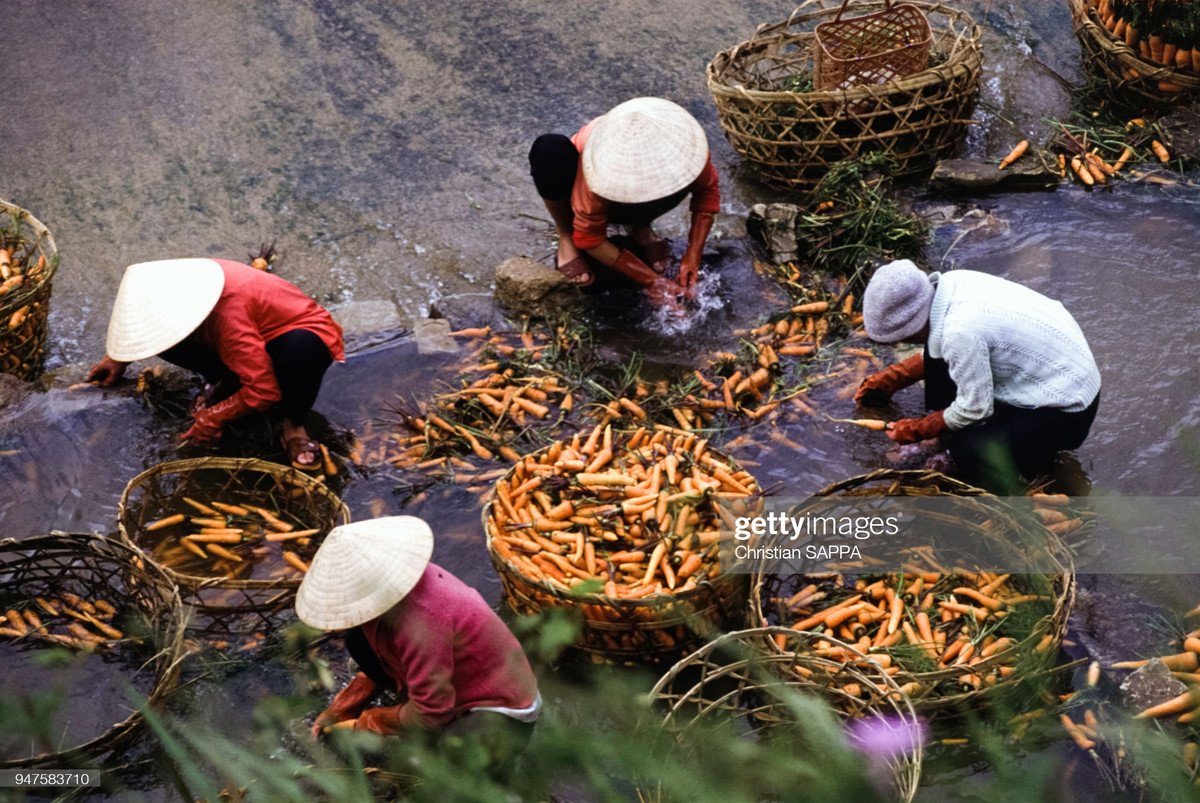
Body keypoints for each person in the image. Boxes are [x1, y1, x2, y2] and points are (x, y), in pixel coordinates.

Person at [298, 516, 540, 779]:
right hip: (448, 682)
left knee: (455, 769)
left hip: (498, 712)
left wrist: (368, 723)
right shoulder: (391, 590)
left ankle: (496, 767)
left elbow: (431, 714)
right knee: (358, 639)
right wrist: (346, 704)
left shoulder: (423, 623)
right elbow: (375, 659)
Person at [856, 260, 1101, 492]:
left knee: (968, 456)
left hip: (1066, 409)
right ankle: (951, 435)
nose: (901, 342)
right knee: (942, 367)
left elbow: (975, 408)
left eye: (902, 338)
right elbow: (947, 350)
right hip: (1052, 366)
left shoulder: (959, 333)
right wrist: (895, 377)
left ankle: (983, 455)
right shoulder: (951, 284)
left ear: (912, 327)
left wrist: (917, 429)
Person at [86, 258, 344, 470]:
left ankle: (294, 425)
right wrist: (119, 357)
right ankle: (226, 378)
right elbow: (148, 323)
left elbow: (265, 390)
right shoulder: (172, 287)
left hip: (288, 334)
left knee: (301, 349)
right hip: (237, 337)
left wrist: (213, 419)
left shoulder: (228, 313)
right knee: (167, 341)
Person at [528, 96, 720, 305]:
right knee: (549, 149)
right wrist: (651, 281)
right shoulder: (596, 171)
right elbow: (589, 237)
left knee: (678, 182)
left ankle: (640, 227)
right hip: (589, 192)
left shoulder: (684, 147)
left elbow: (706, 192)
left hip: (632, 191)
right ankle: (565, 234)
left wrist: (693, 256)